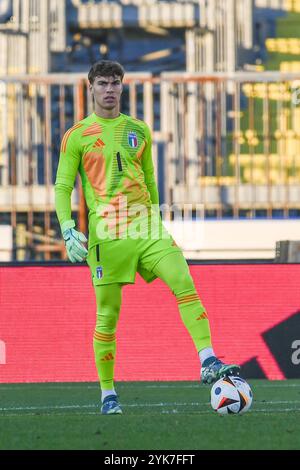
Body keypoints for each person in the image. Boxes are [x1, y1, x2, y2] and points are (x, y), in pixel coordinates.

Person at [55, 60, 240, 415]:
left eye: (116, 83)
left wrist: (156, 217)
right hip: (108, 235)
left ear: (122, 88)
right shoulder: (77, 134)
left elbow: (150, 178)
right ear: (90, 87)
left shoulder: (138, 129)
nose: (110, 89)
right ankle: (108, 394)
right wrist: (67, 228)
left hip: (147, 228)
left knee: (184, 280)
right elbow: (63, 185)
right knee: (107, 316)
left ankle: (207, 359)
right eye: (103, 83)